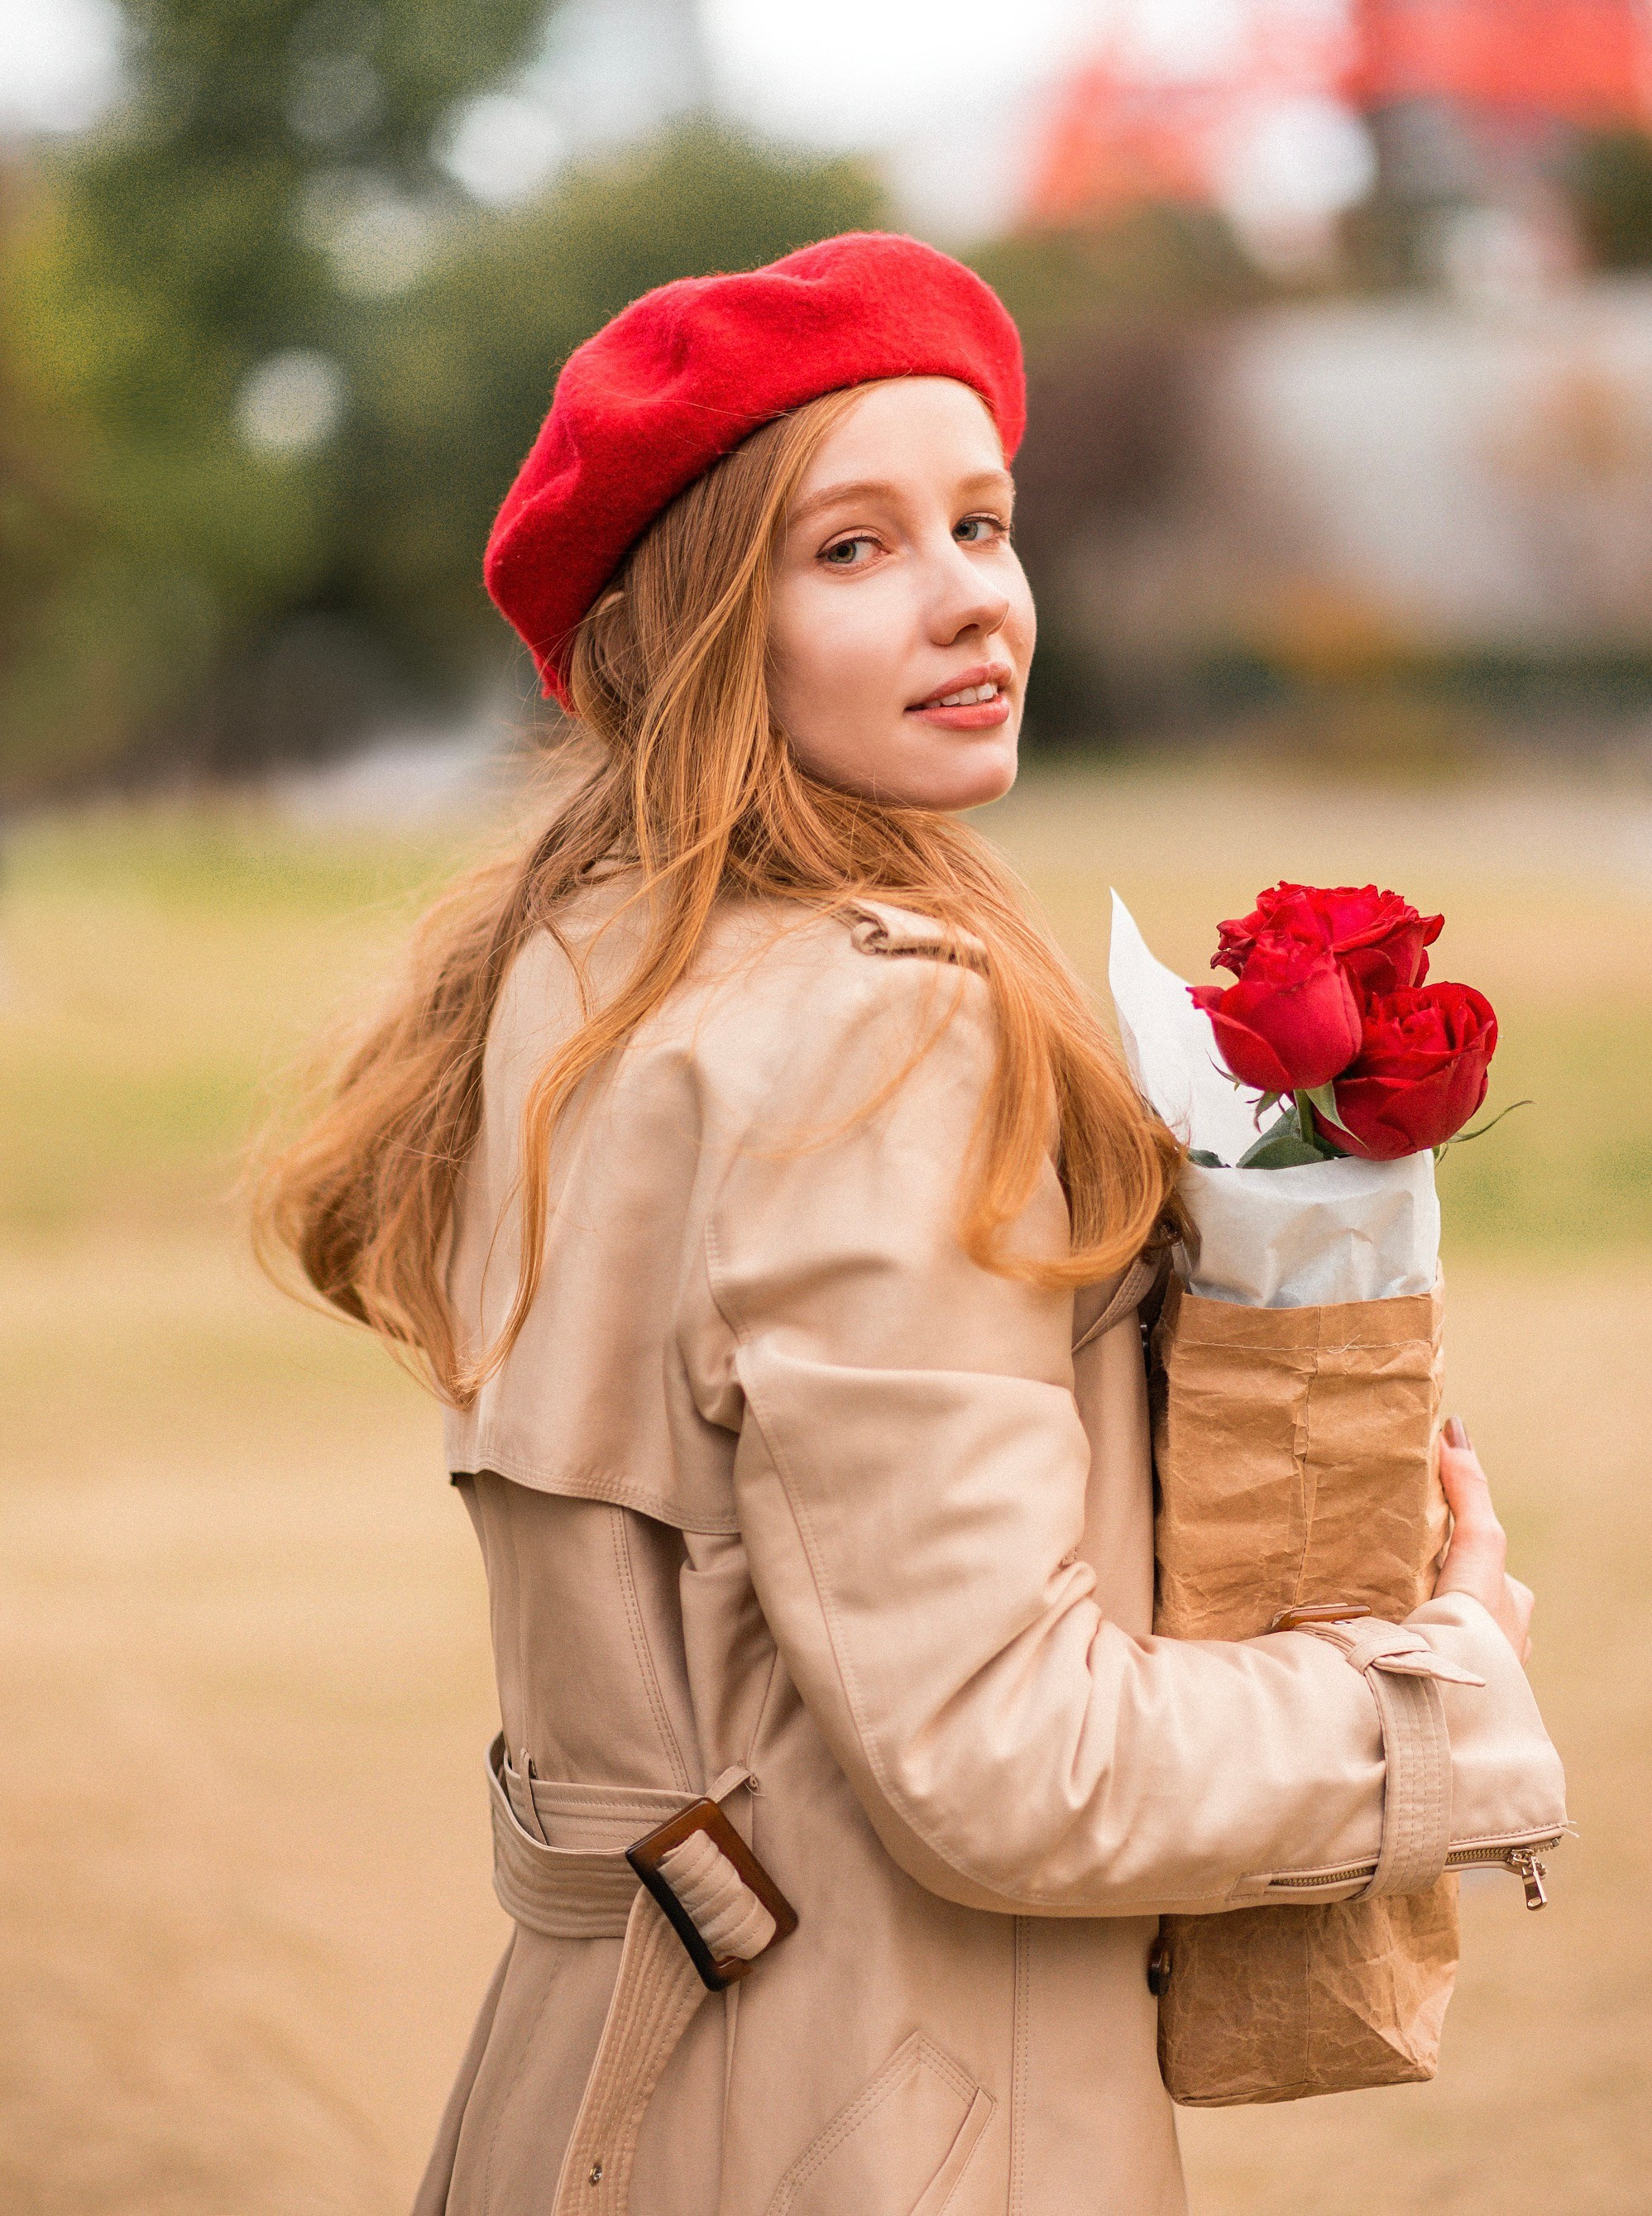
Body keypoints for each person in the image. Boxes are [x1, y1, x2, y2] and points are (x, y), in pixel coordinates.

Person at [260, 234, 1562, 2216]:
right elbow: (1008, 1758)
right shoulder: (878, 1025)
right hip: (881, 2114)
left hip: (595, 2070)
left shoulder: (581, 965)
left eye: (980, 521)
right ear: (702, 626)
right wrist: (1438, 1676)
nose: (968, 598)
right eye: (850, 549)